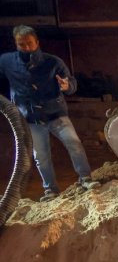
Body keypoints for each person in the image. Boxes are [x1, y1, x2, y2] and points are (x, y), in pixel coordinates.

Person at [0, 25, 100, 202]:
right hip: (30, 118)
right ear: (16, 44)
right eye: (21, 44)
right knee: (41, 156)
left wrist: (66, 86)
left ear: (37, 42)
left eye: (29, 43)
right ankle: (51, 190)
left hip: (56, 114)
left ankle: (85, 179)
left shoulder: (53, 62)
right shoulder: (7, 61)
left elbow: (72, 84)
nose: (26, 48)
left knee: (74, 143)